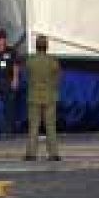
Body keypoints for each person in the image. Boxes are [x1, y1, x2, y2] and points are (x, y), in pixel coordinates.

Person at [24, 34, 61, 162]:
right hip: (50, 97)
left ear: (36, 46)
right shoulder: (52, 61)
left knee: (33, 126)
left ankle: (31, 153)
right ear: (46, 46)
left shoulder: (30, 61)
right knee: (50, 127)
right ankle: (53, 153)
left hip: (34, 97)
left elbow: (28, 77)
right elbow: (57, 80)